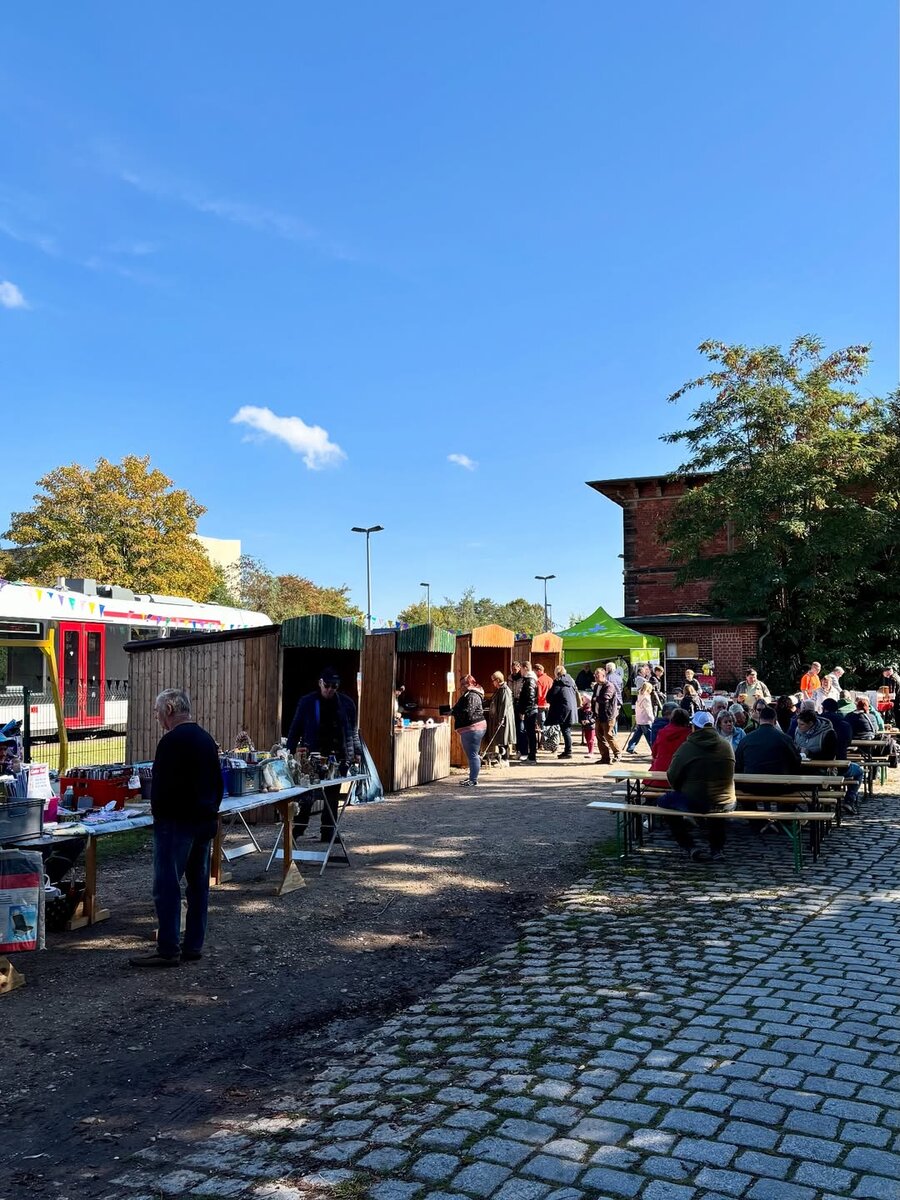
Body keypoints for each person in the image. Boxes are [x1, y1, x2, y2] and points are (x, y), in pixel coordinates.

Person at [129, 689, 223, 968]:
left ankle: (168, 947)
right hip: (203, 821)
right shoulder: (206, 740)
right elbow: (218, 784)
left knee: (167, 886)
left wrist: (158, 816)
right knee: (198, 887)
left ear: (169, 709)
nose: (156, 716)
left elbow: (162, 788)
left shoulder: (171, 742)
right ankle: (193, 945)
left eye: (157, 710)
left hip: (176, 824)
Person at [287, 667, 363, 839]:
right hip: (313, 756)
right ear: (320, 683)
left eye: (334, 686)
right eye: (327, 685)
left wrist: (356, 752)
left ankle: (328, 831)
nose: (330, 689)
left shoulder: (347, 703)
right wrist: (288, 751)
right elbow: (295, 727)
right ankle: (298, 829)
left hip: (338, 755)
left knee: (332, 796)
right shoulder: (307, 702)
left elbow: (353, 730)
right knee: (307, 794)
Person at [657, 711, 736, 863]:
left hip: (696, 801)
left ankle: (689, 845)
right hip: (727, 801)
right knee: (716, 801)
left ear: (695, 727)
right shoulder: (726, 745)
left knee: (664, 803)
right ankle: (717, 849)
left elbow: (672, 776)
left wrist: (681, 788)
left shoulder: (687, 747)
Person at [734, 704, 801, 787]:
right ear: (775, 720)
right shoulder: (785, 739)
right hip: (779, 786)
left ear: (759, 719)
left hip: (751, 785)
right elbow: (796, 761)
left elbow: (738, 762)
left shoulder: (746, 739)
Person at [451, 674, 487, 785]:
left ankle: (473, 780)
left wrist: (454, 713)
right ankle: (472, 777)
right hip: (471, 728)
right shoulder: (468, 694)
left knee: (473, 755)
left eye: (463, 684)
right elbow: (461, 709)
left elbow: (468, 712)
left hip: (473, 728)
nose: (461, 686)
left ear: (470, 683)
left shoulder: (472, 695)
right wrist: (451, 711)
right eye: (461, 684)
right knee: (472, 754)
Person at [547, 666, 579, 759]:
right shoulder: (571, 681)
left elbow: (551, 695)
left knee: (565, 731)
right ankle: (567, 751)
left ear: (557, 673)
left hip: (563, 709)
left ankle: (568, 751)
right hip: (571, 707)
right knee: (567, 730)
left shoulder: (558, 682)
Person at [592, 667, 621, 764]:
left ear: (604, 676)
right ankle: (605, 757)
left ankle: (617, 753)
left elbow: (605, 698)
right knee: (599, 736)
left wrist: (596, 699)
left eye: (598, 675)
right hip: (598, 715)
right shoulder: (596, 686)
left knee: (608, 735)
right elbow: (594, 699)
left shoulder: (609, 686)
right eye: (595, 675)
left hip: (608, 715)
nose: (595, 677)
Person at [486, 671, 516, 763]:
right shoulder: (500, 689)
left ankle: (505, 759)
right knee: (500, 739)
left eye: (493, 680)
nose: (492, 682)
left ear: (498, 680)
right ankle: (502, 759)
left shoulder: (505, 690)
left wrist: (501, 719)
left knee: (504, 739)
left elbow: (504, 706)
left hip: (505, 719)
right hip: (500, 718)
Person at [650, 706, 690, 772]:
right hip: (681, 770)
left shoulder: (662, 732)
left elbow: (654, 753)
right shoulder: (689, 734)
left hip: (660, 768)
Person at [515, 661, 539, 763]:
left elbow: (530, 698)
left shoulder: (530, 680)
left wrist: (524, 711)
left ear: (525, 668)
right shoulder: (529, 680)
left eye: (521, 669)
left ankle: (532, 757)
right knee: (530, 733)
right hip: (530, 710)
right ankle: (531, 756)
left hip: (530, 711)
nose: (520, 671)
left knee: (530, 734)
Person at [625, 681, 655, 754]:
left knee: (637, 735)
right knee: (649, 736)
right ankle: (654, 749)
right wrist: (652, 719)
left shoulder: (639, 696)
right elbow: (648, 710)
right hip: (645, 719)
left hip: (639, 718)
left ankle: (630, 747)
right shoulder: (646, 698)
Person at [508, 662, 528, 757]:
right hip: (512, 705)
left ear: (519, 668)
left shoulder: (523, 679)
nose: (514, 671)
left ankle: (523, 750)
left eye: (516, 669)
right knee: (514, 728)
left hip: (521, 704)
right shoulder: (510, 678)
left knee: (521, 728)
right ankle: (517, 750)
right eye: (513, 669)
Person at [534, 664, 553, 728]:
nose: (535, 673)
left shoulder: (539, 680)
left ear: (538, 671)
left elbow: (539, 694)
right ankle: (549, 737)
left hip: (541, 704)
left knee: (542, 723)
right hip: (549, 704)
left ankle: (544, 737)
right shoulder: (550, 679)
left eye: (535, 671)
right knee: (549, 723)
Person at [579, 691, 596, 758]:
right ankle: (590, 751)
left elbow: (595, 718)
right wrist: (581, 721)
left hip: (591, 726)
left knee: (591, 739)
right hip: (585, 726)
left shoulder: (592, 709)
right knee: (587, 738)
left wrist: (589, 721)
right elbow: (580, 717)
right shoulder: (581, 710)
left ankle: (591, 752)